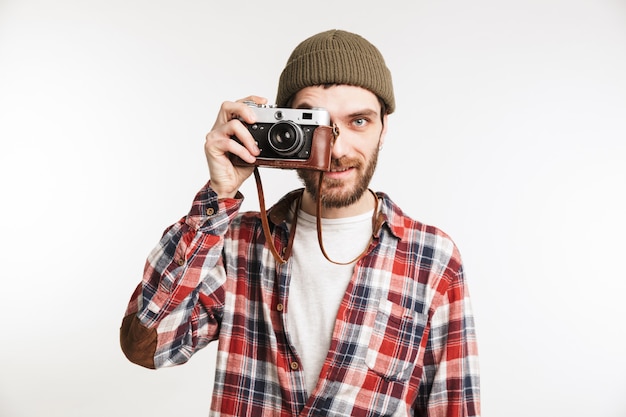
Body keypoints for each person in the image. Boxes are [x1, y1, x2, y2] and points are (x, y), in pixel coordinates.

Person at [120, 29, 481, 417]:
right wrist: (218, 196)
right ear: (283, 126)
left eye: (358, 121)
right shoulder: (236, 243)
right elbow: (149, 346)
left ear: (384, 127)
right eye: (317, 124)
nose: (338, 150)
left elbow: (454, 406)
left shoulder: (432, 258)